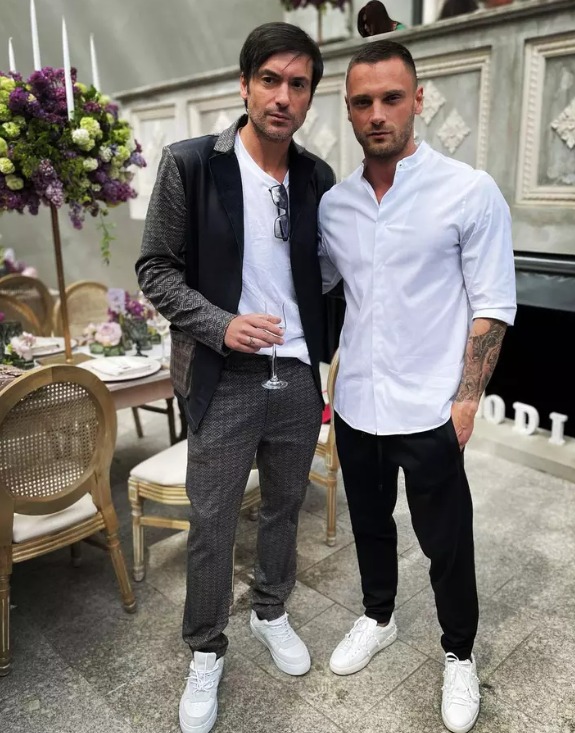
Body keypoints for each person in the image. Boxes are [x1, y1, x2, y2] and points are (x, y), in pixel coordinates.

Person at [136, 22, 335, 733]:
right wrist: (220, 323)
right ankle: (205, 647)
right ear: (245, 85)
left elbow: (327, 274)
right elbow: (154, 268)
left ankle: (270, 610)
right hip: (223, 376)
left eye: (298, 84)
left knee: (284, 506)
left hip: (297, 374)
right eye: (270, 80)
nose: (283, 97)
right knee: (213, 519)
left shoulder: (316, 178)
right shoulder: (191, 164)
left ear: (309, 96)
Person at [318, 40, 516, 733]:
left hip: (430, 407)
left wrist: (466, 399)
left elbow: (492, 304)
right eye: (362, 101)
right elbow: (322, 287)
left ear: (418, 100)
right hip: (355, 402)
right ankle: (378, 617)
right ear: (348, 110)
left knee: (446, 542)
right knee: (369, 526)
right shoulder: (334, 205)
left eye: (391, 98)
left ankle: (458, 652)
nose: (377, 113)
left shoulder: (468, 190)